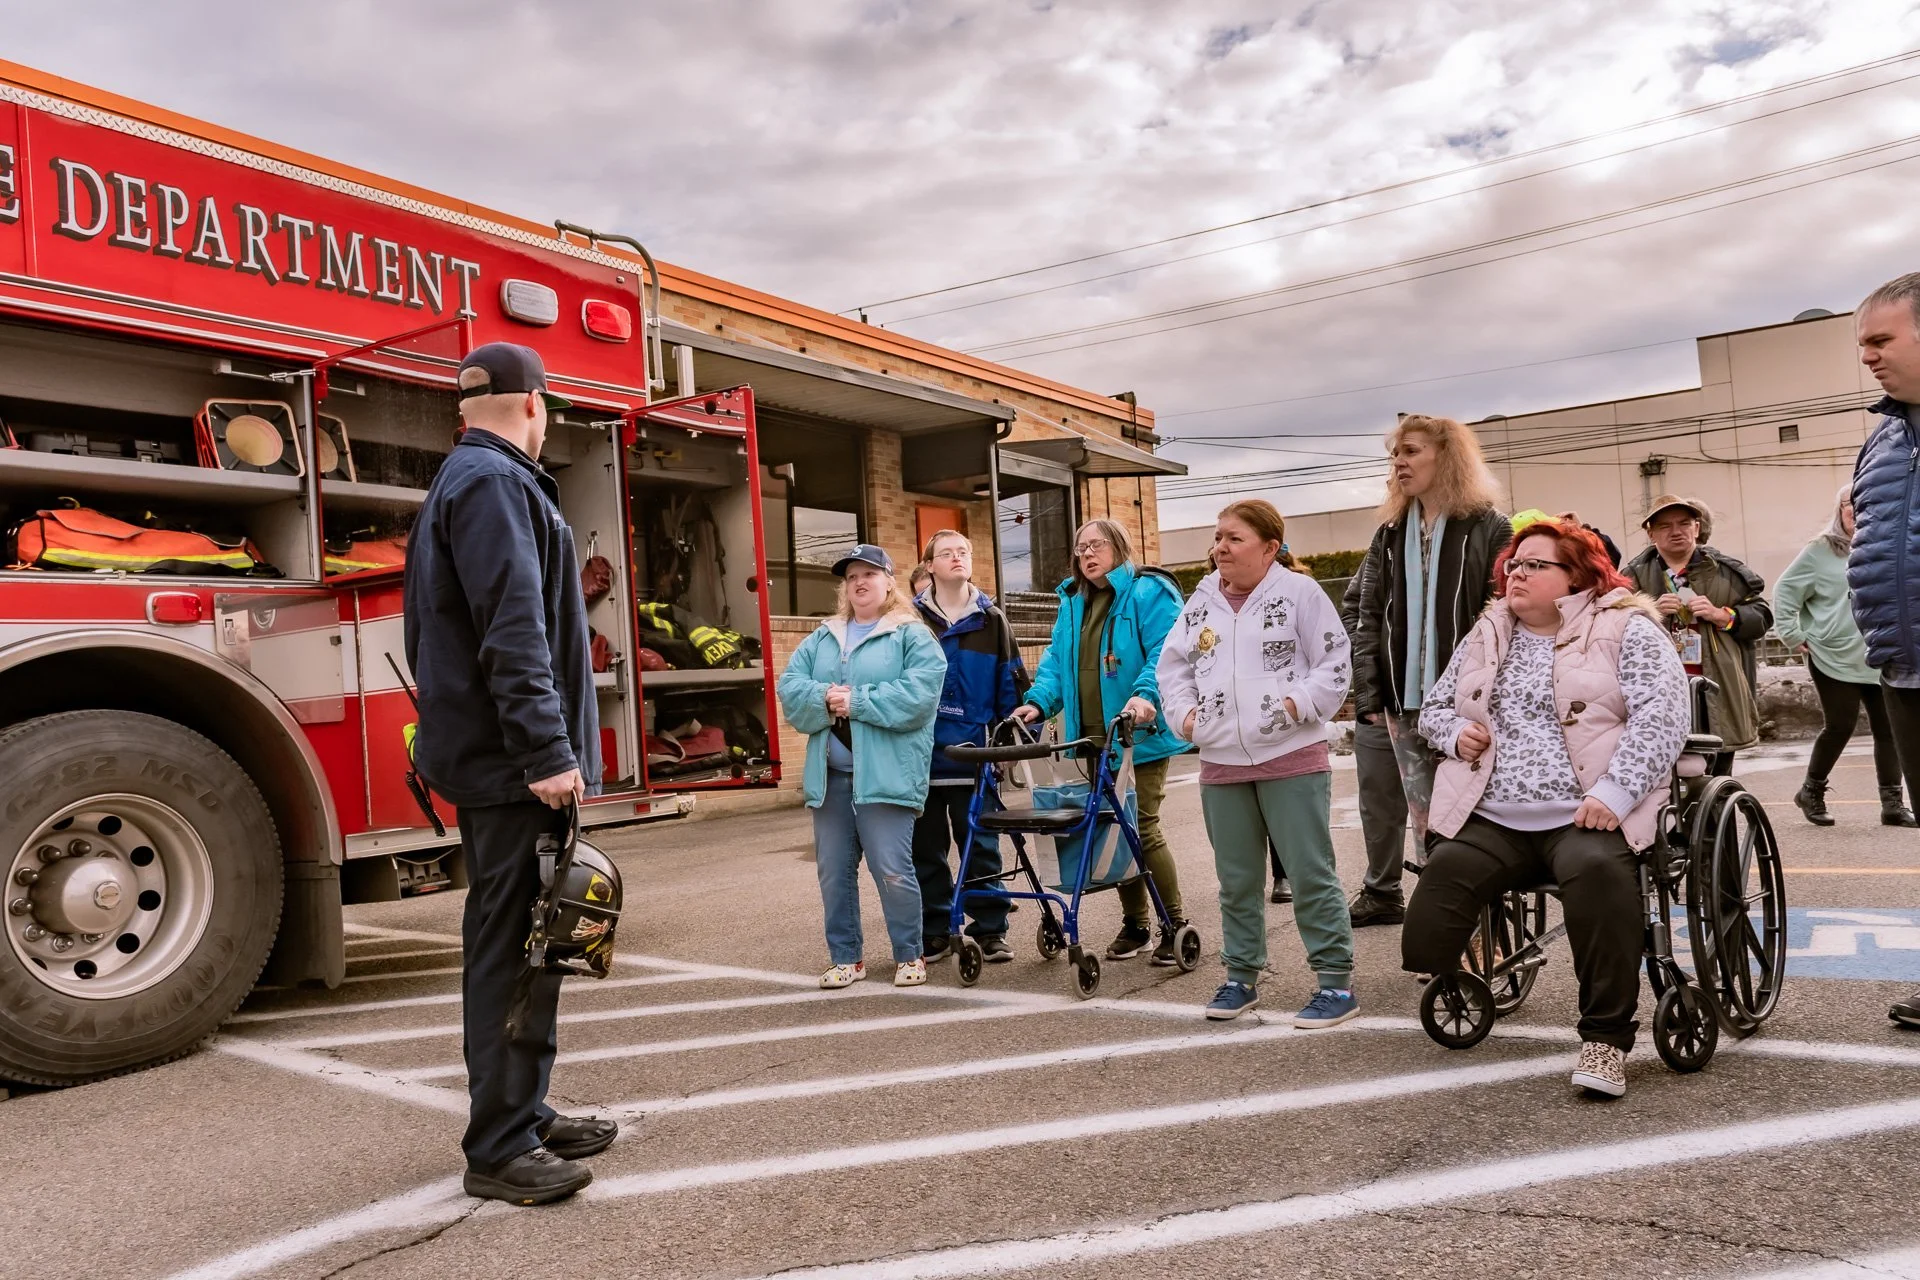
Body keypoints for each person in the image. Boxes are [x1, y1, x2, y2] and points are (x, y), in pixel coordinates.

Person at [402, 342, 615, 1206]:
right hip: (511, 768)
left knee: (534, 943)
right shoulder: (492, 483)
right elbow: (512, 629)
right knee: (516, 949)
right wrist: (547, 752)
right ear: (536, 405)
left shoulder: (472, 476)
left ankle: (520, 1111)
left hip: (499, 763)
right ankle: (497, 1146)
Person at [1405, 518, 1689, 1098]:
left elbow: (1663, 716)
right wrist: (1457, 731)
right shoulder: (1487, 630)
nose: (1519, 573)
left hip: (1586, 812)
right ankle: (1453, 976)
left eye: (1536, 564)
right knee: (1435, 902)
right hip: (1496, 813)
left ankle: (1605, 1040)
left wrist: (1613, 793)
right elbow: (1434, 708)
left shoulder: (1625, 628)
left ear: (1577, 576)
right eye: (1515, 563)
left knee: (1601, 874)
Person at [1158, 500, 1358, 1025]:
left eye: (1235, 538)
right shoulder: (1199, 603)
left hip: (1291, 755)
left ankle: (1335, 984)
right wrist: (1185, 719)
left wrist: (1295, 706)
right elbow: (1173, 668)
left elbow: (1335, 662)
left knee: (1311, 873)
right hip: (1221, 761)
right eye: (1218, 537)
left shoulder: (1300, 594)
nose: (1221, 547)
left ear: (1270, 548)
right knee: (1236, 878)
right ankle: (1240, 977)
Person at [1351, 414, 1512, 927]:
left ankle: (1486, 926)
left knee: (1475, 818)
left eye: (1412, 451)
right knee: (1425, 823)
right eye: (1395, 454)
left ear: (1448, 457)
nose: (1399, 462)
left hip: (1468, 708)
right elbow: (1368, 615)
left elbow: (1505, 615)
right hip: (1405, 703)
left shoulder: (1489, 526)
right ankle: (1449, 933)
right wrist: (1370, 697)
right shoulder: (1390, 533)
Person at [1013, 518, 1190, 963]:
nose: (1086, 554)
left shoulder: (1149, 593)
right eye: (1079, 547)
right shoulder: (1073, 600)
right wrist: (1037, 702)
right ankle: (1137, 924)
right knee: (1114, 826)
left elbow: (1165, 654)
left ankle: (1175, 923)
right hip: (1092, 740)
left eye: (1096, 545)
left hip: (1136, 734)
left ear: (1118, 547)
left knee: (1140, 826)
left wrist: (1145, 696)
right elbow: (1055, 661)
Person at [776, 544, 946, 990]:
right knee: (833, 871)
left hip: (886, 776)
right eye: (852, 576)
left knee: (892, 868)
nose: (860, 582)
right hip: (830, 778)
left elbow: (920, 697)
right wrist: (825, 699)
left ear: (890, 582)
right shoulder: (824, 635)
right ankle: (846, 958)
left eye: (870, 573)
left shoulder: (911, 634)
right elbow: (791, 687)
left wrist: (858, 701)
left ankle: (911, 954)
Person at [1850, 273, 1920, 1030]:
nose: (1867, 357)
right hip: (1904, 667)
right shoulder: (1882, 441)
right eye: (1861, 344)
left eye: (1880, 340)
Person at [912, 529, 1027, 963]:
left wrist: (1007, 743)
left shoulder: (992, 619)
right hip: (920, 759)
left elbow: (1010, 685)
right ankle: (937, 929)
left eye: (964, 552)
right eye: (947, 553)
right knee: (926, 851)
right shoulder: (910, 620)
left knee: (980, 845)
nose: (957, 558)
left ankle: (991, 928)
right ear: (930, 567)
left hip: (975, 757)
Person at [1775, 484, 1916, 827]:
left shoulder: (1885, 546)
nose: (1855, 509)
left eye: (1863, 503)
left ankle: (1893, 805)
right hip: (1832, 656)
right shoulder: (1819, 550)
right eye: (1847, 504)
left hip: (1878, 653)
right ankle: (1811, 792)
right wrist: (1793, 635)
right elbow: (1785, 592)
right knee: (1840, 726)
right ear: (1839, 511)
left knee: (1889, 730)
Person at [1623, 496, 1770, 762]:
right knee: (1667, 769)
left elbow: (1762, 616)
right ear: (1651, 533)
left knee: (1718, 769)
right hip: (1660, 688)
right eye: (1665, 526)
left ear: (1697, 528)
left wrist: (1722, 615)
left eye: (1684, 523)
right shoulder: (1632, 577)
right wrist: (1652, 612)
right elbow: (1615, 626)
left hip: (1716, 686)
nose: (1676, 531)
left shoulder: (1725, 571)